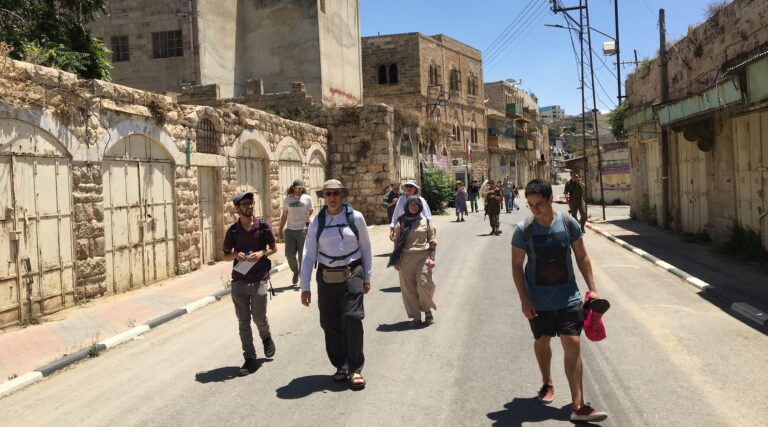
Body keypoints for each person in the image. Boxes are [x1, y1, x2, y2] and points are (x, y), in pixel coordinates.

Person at [511, 179, 608, 423]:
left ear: (551, 199)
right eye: (531, 205)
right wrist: (524, 300)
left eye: (540, 204)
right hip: (538, 301)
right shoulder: (524, 229)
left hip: (568, 297)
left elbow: (582, 256)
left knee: (573, 343)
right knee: (542, 341)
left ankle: (578, 405)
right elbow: (516, 266)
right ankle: (547, 383)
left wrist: (593, 289)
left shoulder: (568, 223)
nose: (535, 209)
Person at [300, 179, 373, 390]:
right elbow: (308, 253)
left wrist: (366, 277)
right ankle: (341, 365)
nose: (332, 198)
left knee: (352, 317)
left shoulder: (355, 218)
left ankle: (356, 368)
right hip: (326, 276)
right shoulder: (317, 222)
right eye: (328, 194)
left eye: (336, 193)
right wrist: (305, 287)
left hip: (352, 271)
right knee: (329, 322)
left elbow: (366, 248)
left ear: (342, 196)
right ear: (324, 197)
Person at [223, 192, 277, 376]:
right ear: (237, 208)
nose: (250, 206)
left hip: (259, 280)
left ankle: (266, 337)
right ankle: (250, 358)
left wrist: (262, 254)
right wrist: (235, 255)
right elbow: (225, 255)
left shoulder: (263, 226)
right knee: (243, 322)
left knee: (259, 318)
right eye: (245, 203)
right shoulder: (233, 231)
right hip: (239, 282)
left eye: (251, 202)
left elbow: (274, 248)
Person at [388, 196, 437, 326]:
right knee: (408, 290)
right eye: (411, 205)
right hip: (406, 259)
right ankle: (415, 316)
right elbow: (397, 243)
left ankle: (427, 310)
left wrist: (432, 258)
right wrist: (396, 260)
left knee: (424, 284)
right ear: (407, 207)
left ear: (420, 207)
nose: (413, 207)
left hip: (423, 257)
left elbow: (432, 241)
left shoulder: (426, 221)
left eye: (416, 205)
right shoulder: (402, 222)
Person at [278, 179, 313, 286]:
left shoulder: (307, 198)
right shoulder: (287, 200)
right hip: (290, 231)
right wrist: (280, 230)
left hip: (303, 230)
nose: (299, 191)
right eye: (297, 188)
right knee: (289, 255)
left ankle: (303, 278)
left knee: (302, 256)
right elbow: (284, 215)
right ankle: (295, 271)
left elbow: (311, 210)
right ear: (293, 188)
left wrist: (309, 217)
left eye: (301, 189)